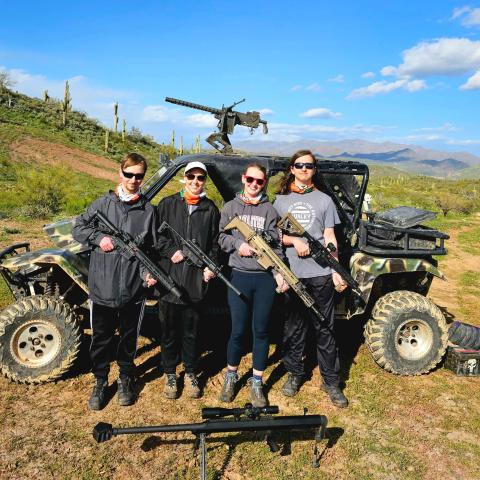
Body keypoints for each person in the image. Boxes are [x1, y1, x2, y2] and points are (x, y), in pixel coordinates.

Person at [72, 153, 158, 410]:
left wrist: (148, 274)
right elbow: (78, 228)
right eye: (129, 174)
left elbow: (151, 249)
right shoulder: (102, 204)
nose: (133, 180)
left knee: (129, 339)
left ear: (143, 178)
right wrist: (99, 239)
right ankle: (100, 381)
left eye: (139, 176)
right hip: (102, 287)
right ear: (120, 174)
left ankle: (124, 378)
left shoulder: (148, 210)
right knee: (101, 338)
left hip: (133, 290)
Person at [273, 149, 349, 408]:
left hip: (320, 274)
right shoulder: (280, 201)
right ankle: (295, 373)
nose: (304, 169)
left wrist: (336, 270)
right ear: (291, 169)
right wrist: (295, 241)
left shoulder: (324, 200)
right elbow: (274, 237)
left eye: (309, 166)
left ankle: (331, 381)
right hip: (293, 274)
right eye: (299, 165)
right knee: (294, 328)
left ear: (314, 170)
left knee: (325, 328)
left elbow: (330, 237)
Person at [218, 163, 288, 407]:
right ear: (243, 179)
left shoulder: (270, 211)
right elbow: (221, 236)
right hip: (238, 275)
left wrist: (279, 273)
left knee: (261, 331)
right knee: (237, 330)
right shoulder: (230, 207)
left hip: (264, 279)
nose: (254, 185)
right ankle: (231, 376)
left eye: (259, 181)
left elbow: (277, 246)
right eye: (250, 180)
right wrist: (238, 246)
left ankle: (257, 382)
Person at [156, 161, 220, 400]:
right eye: (191, 176)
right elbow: (157, 237)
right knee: (169, 332)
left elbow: (215, 244)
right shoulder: (167, 204)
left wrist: (210, 267)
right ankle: (170, 373)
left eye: (200, 178)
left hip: (195, 281)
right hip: (169, 279)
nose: (195, 182)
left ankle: (191, 372)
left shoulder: (210, 209)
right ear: (183, 178)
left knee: (193, 332)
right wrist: (171, 250)